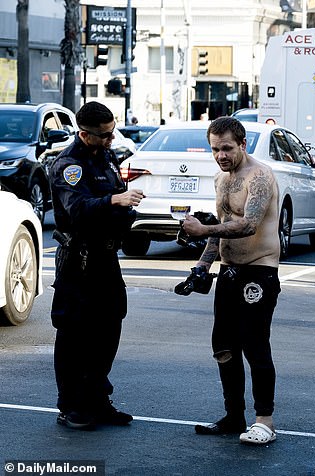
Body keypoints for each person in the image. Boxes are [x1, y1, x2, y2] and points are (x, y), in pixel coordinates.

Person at [181, 116, 281, 445]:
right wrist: (202, 265)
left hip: (259, 271)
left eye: (226, 148)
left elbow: (249, 224)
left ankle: (264, 422)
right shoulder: (221, 179)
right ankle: (233, 415)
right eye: (215, 149)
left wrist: (202, 229)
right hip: (228, 270)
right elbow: (223, 226)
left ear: (242, 145)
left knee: (254, 344)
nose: (221, 155)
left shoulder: (260, 177)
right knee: (222, 345)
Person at [49, 101, 145, 430]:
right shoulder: (69, 165)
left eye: (112, 132)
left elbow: (120, 197)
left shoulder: (104, 158)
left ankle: (97, 399)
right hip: (79, 259)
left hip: (105, 257)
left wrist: (124, 207)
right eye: (104, 135)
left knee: (109, 327)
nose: (111, 139)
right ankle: (71, 406)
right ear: (84, 134)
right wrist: (112, 202)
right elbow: (75, 209)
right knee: (75, 333)